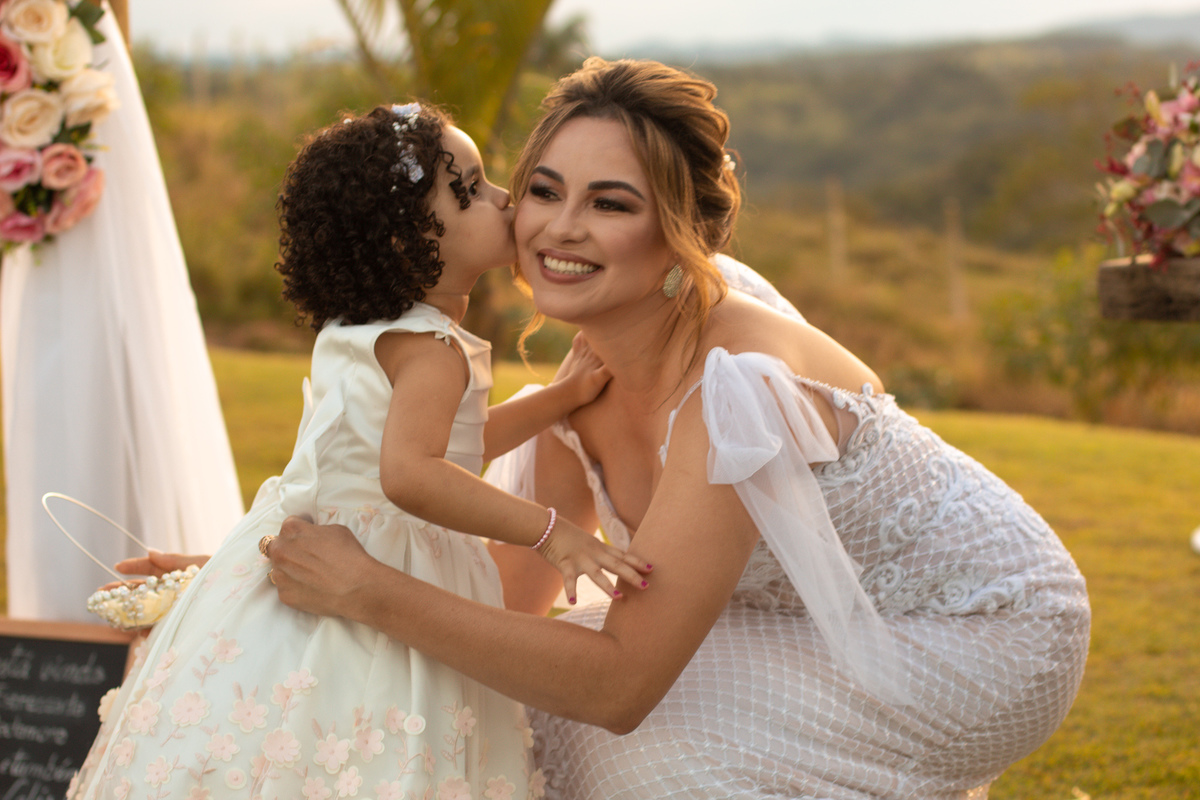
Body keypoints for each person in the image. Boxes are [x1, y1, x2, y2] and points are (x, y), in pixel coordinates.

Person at [157, 58, 1089, 799]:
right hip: (787, 622)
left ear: (679, 230)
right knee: (489, 710)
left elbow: (616, 686)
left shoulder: (739, 384)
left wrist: (367, 591)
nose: (559, 229)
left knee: (622, 754)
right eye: (543, 189)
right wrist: (257, 583)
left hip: (984, 634)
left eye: (611, 203)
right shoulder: (584, 374)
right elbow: (508, 599)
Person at [65, 101, 652, 800]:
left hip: (314, 557)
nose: (505, 198)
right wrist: (550, 533)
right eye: (472, 190)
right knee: (375, 740)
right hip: (379, 564)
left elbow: (453, 447)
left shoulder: (365, 327)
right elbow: (413, 476)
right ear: (410, 241)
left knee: (281, 737)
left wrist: (560, 398)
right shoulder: (431, 350)